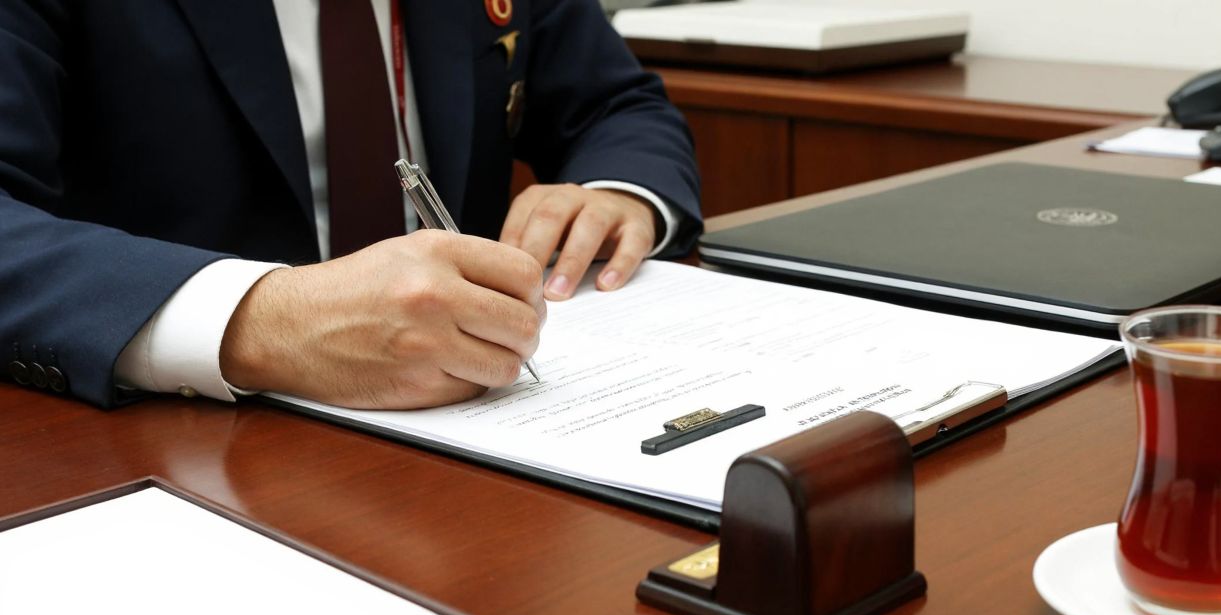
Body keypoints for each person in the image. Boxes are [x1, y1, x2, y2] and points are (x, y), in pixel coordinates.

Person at [0, 0, 701, 410]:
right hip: (178, 445)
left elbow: (616, 103)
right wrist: (257, 321)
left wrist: (619, 190)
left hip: (474, 427)